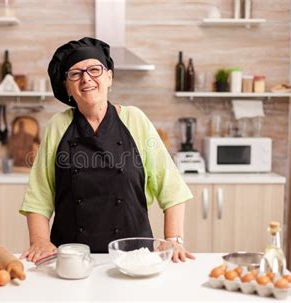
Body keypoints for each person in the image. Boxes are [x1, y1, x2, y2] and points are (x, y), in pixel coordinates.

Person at [20, 37, 194, 263]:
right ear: (67, 87)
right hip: (72, 260)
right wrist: (40, 240)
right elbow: (38, 196)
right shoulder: (58, 125)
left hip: (134, 258)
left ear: (109, 77)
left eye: (95, 69)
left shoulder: (135, 120)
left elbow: (171, 188)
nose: (86, 79)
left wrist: (174, 239)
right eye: (75, 73)